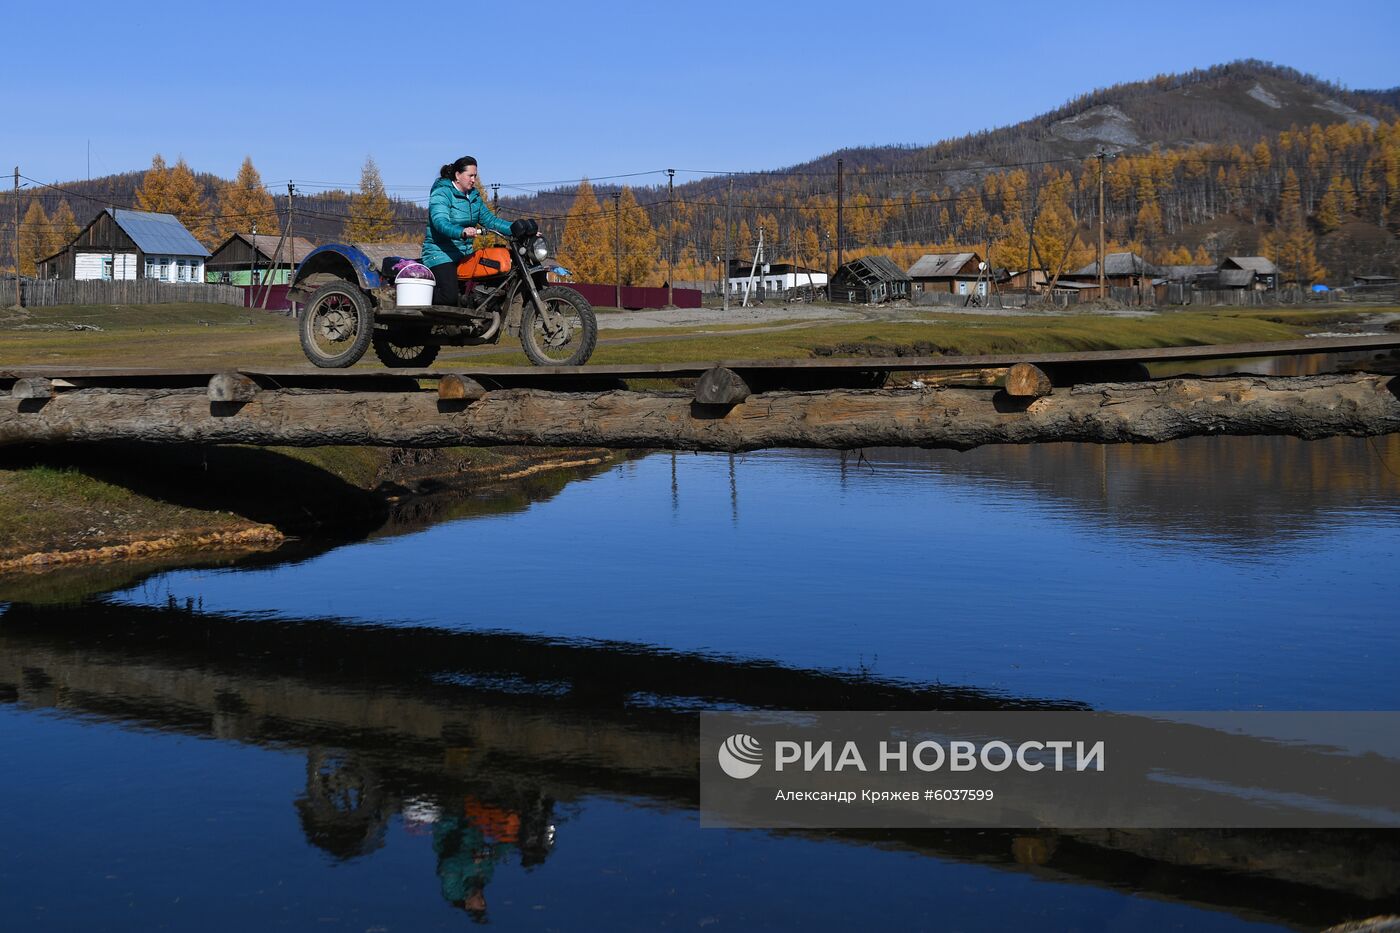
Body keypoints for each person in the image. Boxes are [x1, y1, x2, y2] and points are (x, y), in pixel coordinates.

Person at [422, 156, 526, 307]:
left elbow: (490, 221)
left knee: (494, 279)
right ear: (458, 175)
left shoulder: (474, 197)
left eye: (475, 176)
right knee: (448, 297)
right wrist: (461, 231)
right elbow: (440, 222)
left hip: (465, 254)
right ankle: (419, 303)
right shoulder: (442, 193)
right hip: (440, 254)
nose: (473, 180)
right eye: (470, 175)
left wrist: (518, 230)